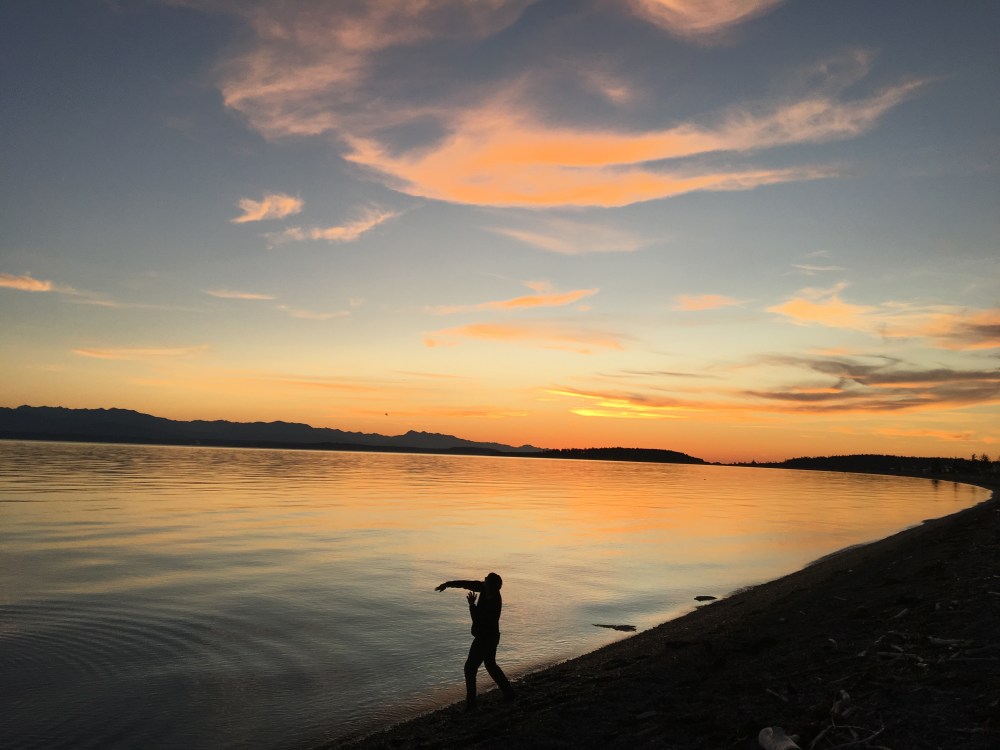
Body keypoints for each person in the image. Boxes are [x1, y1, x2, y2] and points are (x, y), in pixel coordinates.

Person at [435, 572, 515, 710]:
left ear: (491, 585)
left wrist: (472, 605)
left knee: (470, 668)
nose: (483, 580)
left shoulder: (494, 602)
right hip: (490, 637)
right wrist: (447, 584)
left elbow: (478, 619)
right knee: (490, 665)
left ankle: (471, 704)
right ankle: (509, 693)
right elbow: (465, 583)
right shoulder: (484, 588)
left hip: (486, 638)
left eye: (486, 580)